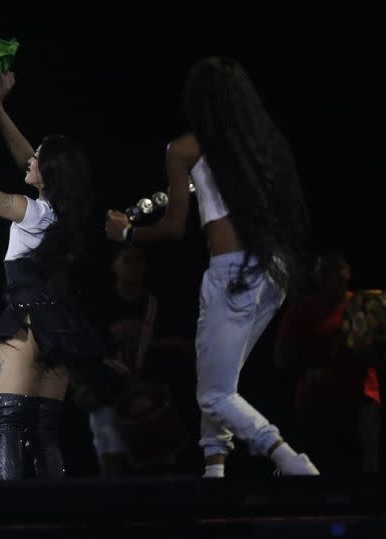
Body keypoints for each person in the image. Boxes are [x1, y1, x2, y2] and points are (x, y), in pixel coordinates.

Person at [105, 56, 318, 477]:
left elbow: (172, 228)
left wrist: (127, 234)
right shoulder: (259, 149)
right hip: (271, 274)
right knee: (218, 379)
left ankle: (288, 460)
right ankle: (215, 468)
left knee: (215, 394)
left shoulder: (184, 148)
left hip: (232, 274)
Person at [0, 73, 99, 480]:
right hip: (59, 327)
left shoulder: (33, 212)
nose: (30, 159)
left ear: (49, 172)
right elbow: (25, 154)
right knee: (44, 433)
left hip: (27, 323)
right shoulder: (59, 210)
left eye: (38, 159)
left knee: (6, 423)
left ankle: (9, 517)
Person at [80, 245, 193, 476]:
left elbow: (180, 349)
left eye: (139, 261)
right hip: (110, 398)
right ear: (115, 266)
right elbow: (87, 356)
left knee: (161, 468)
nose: (134, 267)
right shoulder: (99, 308)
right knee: (112, 467)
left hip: (152, 396)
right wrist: (85, 388)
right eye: (127, 261)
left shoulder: (158, 307)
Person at [275, 250, 382, 473]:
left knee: (363, 468)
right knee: (316, 469)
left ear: (349, 272)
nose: (333, 276)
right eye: (326, 270)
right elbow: (282, 358)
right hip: (315, 403)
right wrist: (309, 373)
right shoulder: (301, 311)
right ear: (316, 275)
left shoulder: (367, 306)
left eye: (338, 269)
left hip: (360, 401)